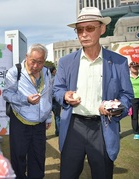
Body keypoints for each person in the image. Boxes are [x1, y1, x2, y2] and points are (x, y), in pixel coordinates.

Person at [53, 7, 134, 179]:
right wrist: (65, 96)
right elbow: (57, 89)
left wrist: (115, 108)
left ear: (102, 29)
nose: (84, 34)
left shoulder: (118, 62)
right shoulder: (66, 62)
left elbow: (127, 96)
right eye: (80, 30)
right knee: (67, 175)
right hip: (73, 127)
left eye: (89, 28)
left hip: (103, 127)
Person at [2, 43, 52, 179]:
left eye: (40, 62)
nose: (36, 66)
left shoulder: (46, 72)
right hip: (20, 121)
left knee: (38, 157)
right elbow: (6, 94)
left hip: (39, 124)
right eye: (33, 61)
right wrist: (26, 99)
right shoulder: (15, 71)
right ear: (26, 57)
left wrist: (48, 117)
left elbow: (48, 95)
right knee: (18, 157)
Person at [50, 66, 61, 136]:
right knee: (57, 117)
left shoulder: (46, 78)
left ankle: (43, 134)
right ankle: (58, 132)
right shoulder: (56, 79)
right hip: (56, 100)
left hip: (48, 100)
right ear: (53, 71)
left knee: (44, 118)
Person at [129, 61, 139, 140]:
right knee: (134, 116)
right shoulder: (128, 78)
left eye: (136, 67)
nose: (135, 68)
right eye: (133, 67)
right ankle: (136, 132)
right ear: (130, 68)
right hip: (133, 99)